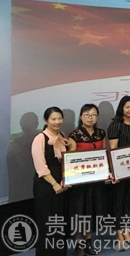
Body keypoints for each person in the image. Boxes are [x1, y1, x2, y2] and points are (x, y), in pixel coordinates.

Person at [32, 106, 76, 256]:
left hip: (62, 185)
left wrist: (65, 180)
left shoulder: (62, 136)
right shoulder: (40, 138)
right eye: (53, 119)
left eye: (59, 118)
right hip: (46, 186)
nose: (57, 122)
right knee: (47, 221)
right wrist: (55, 184)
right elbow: (41, 167)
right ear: (46, 121)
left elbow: (67, 160)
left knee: (60, 221)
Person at [107, 96, 130, 251]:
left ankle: (127, 231)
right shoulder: (115, 125)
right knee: (118, 202)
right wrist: (114, 171)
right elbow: (113, 149)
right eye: (127, 106)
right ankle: (119, 234)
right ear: (121, 108)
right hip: (120, 170)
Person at [68, 104, 106, 256]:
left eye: (94, 115)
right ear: (81, 116)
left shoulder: (101, 133)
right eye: (87, 115)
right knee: (79, 211)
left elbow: (105, 154)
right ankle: (79, 244)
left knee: (92, 210)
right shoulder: (74, 135)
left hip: (96, 180)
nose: (90, 118)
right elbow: (70, 159)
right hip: (80, 181)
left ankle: (88, 241)